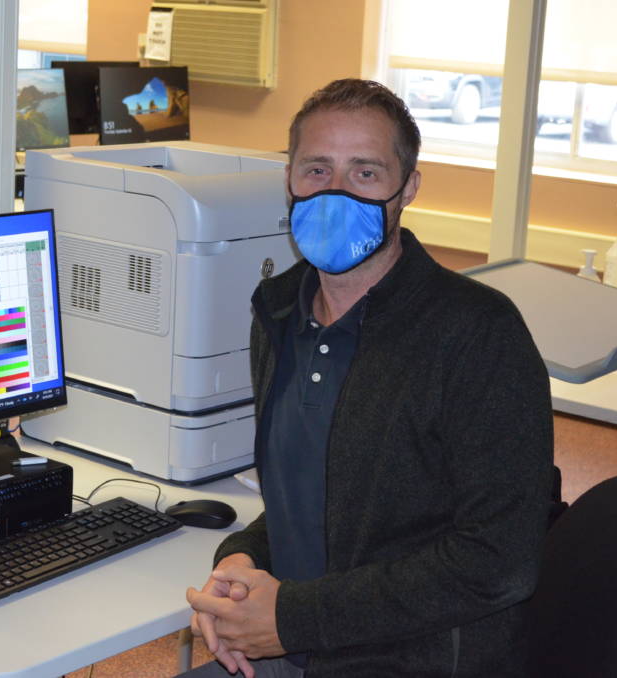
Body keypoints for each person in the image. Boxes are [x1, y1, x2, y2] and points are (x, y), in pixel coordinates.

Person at [182, 79, 554, 678]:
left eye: (365, 173)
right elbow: (319, 500)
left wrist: (294, 618)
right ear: (289, 179)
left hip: (417, 660)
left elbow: (498, 561)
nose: (335, 192)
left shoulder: (478, 333)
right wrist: (243, 558)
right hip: (299, 643)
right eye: (317, 169)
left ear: (408, 188)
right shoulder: (279, 311)